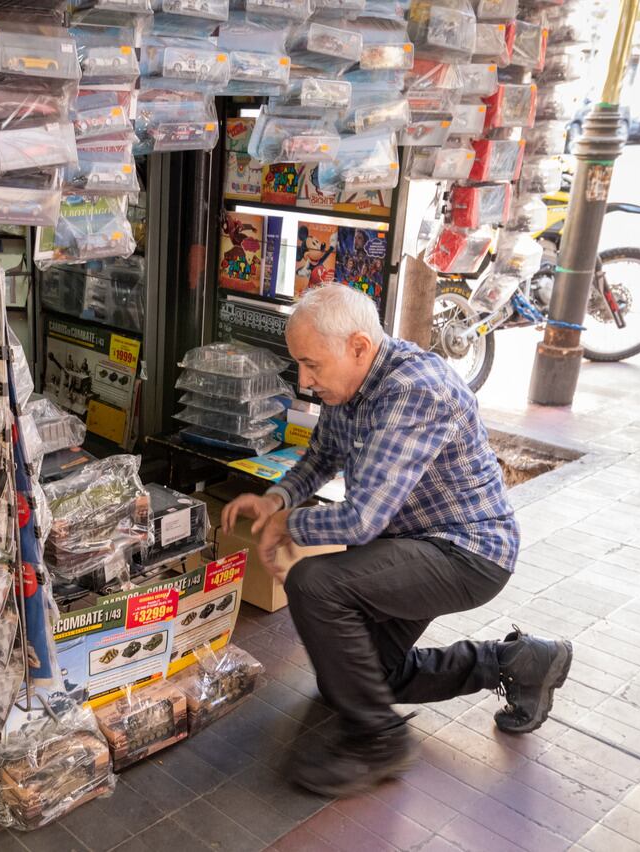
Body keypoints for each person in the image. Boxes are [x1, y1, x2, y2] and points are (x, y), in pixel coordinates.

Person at [222, 285, 572, 798]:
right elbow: (321, 457)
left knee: (314, 583)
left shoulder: (414, 390)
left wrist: (288, 527)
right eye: (300, 364)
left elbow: (361, 521)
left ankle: (379, 741)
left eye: (312, 365)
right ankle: (515, 662)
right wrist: (276, 500)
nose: (305, 380)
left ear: (359, 347)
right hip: (405, 544)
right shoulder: (349, 387)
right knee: (359, 680)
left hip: (465, 552)